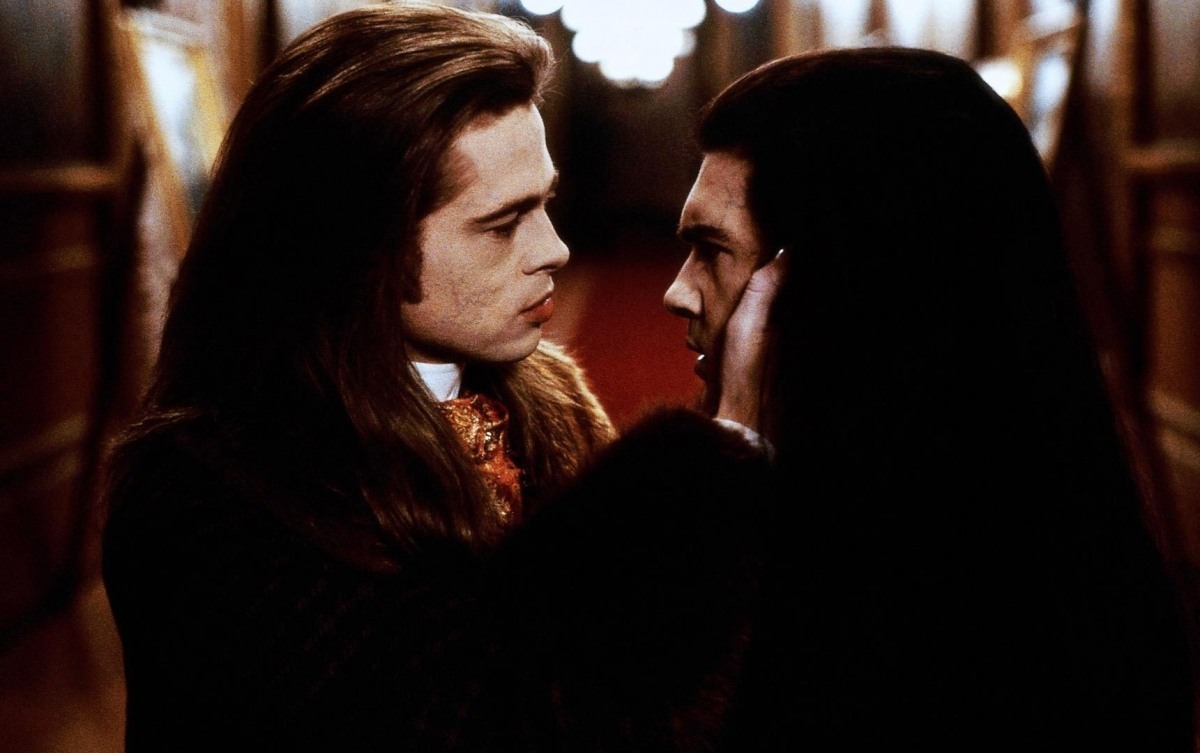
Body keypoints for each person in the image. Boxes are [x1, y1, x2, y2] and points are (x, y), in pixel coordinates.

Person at [101, 4, 780, 751]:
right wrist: (724, 445)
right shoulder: (212, 482)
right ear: (368, 247)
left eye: (545, 203)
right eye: (503, 223)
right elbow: (472, 719)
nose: (553, 248)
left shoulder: (548, 398)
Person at [663, 47, 1195, 751]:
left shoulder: (918, 621)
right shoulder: (1082, 546)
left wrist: (732, 466)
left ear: (832, 286)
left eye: (710, 248)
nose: (676, 291)